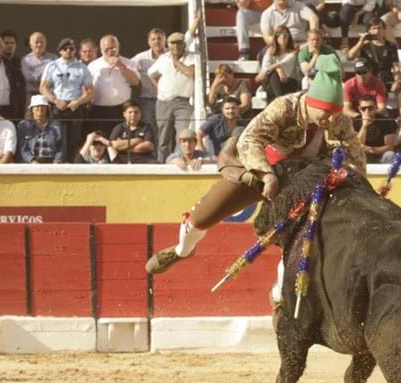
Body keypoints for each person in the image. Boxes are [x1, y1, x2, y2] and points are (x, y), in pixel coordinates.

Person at [145, 54, 365, 275]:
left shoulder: (340, 122)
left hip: (304, 184)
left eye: (335, 113)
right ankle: (183, 250)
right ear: (311, 102)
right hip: (260, 175)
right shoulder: (284, 107)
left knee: (304, 240)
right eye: (326, 112)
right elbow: (250, 139)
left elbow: (356, 159)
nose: (331, 119)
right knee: (197, 221)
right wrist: (267, 175)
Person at [40, 37, 94, 162]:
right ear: (60, 51)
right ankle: (57, 164)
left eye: (71, 48)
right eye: (65, 49)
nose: (68, 51)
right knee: (57, 138)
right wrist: (55, 100)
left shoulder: (82, 67)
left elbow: (90, 91)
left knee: (73, 140)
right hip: (57, 106)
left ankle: (71, 165)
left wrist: (78, 102)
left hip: (74, 106)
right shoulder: (52, 66)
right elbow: (43, 88)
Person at [148, 32, 196, 162]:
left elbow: (189, 72)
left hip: (183, 102)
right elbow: (151, 74)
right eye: (172, 43)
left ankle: (177, 161)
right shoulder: (163, 58)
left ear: (184, 44)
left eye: (178, 43)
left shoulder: (192, 57)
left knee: (182, 134)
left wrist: (174, 60)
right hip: (164, 101)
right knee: (163, 137)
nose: (175, 46)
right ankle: (161, 163)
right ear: (168, 44)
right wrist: (159, 88)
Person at [88, 35, 141, 135]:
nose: (109, 52)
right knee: (100, 140)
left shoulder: (128, 62)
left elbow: (135, 82)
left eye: (113, 48)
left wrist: (121, 66)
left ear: (118, 47)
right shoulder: (93, 65)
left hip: (121, 109)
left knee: (122, 139)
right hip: (99, 109)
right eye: (106, 49)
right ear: (100, 49)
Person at [347, 16, 401, 93]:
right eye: (374, 28)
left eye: (379, 28)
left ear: (383, 30)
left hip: (386, 80)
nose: (377, 31)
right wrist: (360, 43)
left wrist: (397, 81)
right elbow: (350, 57)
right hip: (369, 81)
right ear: (369, 31)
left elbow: (396, 67)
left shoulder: (391, 46)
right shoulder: (364, 45)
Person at [132, 28, 167, 138]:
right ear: (149, 42)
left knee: (166, 129)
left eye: (159, 38)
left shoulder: (171, 55)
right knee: (150, 129)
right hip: (147, 100)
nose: (156, 41)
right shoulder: (141, 58)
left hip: (167, 100)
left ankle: (166, 155)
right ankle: (153, 154)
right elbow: (128, 67)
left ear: (164, 40)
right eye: (153, 39)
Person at [16, 94, 66, 163]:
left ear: (47, 109)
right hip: (32, 163)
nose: (40, 109)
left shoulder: (57, 125)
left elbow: (62, 147)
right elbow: (22, 149)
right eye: (37, 106)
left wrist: (57, 160)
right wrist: (32, 161)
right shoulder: (23, 126)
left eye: (43, 106)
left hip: (52, 161)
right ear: (31, 109)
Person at [256, 25, 300, 103]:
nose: (282, 37)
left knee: (273, 75)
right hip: (273, 82)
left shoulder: (293, 51)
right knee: (273, 75)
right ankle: (281, 100)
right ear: (275, 37)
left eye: (285, 35)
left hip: (288, 82)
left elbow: (285, 64)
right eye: (279, 35)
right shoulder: (270, 50)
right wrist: (278, 69)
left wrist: (276, 66)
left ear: (289, 37)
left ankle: (279, 101)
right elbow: (265, 68)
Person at [109, 100, 157, 164]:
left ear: (140, 114)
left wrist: (123, 147)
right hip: (122, 159)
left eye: (136, 112)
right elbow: (114, 145)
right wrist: (137, 140)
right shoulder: (119, 128)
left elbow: (148, 146)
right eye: (130, 112)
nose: (133, 115)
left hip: (144, 159)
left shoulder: (147, 127)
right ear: (124, 114)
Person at [198, 96, 246, 160]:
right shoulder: (215, 120)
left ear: (238, 109)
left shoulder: (243, 124)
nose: (230, 111)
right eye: (227, 108)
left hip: (235, 160)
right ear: (222, 110)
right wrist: (205, 155)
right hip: (215, 161)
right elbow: (198, 134)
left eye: (233, 108)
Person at [354, 94, 398, 163]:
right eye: (363, 108)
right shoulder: (355, 122)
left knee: (390, 155)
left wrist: (372, 150)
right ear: (359, 109)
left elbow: (390, 147)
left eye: (370, 108)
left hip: (382, 155)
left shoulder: (386, 121)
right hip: (364, 155)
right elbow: (357, 145)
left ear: (375, 107)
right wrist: (364, 126)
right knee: (356, 154)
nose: (367, 111)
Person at [21, 32, 57, 101]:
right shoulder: (25, 60)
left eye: (42, 42)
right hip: (32, 96)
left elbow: (57, 77)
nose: (39, 45)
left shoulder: (54, 58)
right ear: (30, 44)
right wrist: (48, 73)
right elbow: (30, 78)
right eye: (36, 42)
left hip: (50, 96)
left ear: (46, 43)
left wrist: (38, 73)